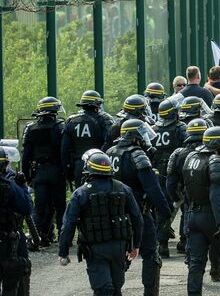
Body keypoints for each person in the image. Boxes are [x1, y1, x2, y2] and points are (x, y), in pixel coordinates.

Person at [58, 149, 143, 296]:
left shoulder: (81, 193)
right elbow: (138, 218)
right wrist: (136, 245)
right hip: (119, 248)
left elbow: (68, 224)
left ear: (88, 169)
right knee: (116, 289)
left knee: (103, 290)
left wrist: (63, 252)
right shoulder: (123, 188)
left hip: (95, 249)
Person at [106, 119, 172, 295]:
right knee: (151, 256)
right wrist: (166, 213)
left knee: (118, 257)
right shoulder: (138, 155)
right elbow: (153, 189)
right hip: (139, 215)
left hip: (113, 215)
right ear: (134, 136)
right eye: (142, 134)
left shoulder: (110, 152)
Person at [182, 126, 220, 295]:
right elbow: (216, 195)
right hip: (212, 218)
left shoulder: (191, 157)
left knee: (196, 263)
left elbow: (185, 188)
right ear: (218, 144)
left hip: (193, 215)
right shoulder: (215, 161)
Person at [22, 96, 66, 247]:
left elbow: (26, 156)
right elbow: (64, 152)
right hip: (57, 171)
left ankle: (34, 237)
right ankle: (63, 236)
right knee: (60, 206)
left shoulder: (31, 128)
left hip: (39, 172)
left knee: (39, 207)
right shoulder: (60, 127)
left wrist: (27, 176)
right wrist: (66, 172)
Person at [166, 118, 208, 255]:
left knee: (187, 212)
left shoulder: (179, 154)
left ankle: (184, 241)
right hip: (206, 197)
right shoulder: (211, 155)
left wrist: (176, 197)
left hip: (187, 193)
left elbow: (171, 182)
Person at [151, 99, 187, 258]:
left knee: (161, 207)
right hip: (175, 173)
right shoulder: (180, 128)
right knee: (184, 204)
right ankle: (184, 241)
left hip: (158, 172)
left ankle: (162, 244)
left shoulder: (153, 129)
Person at [61, 91, 114, 189]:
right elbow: (109, 143)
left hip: (79, 166)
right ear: (97, 106)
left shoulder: (71, 121)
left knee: (80, 197)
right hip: (100, 166)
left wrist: (67, 171)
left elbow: (64, 150)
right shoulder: (104, 119)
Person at [0, 145, 33, 295]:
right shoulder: (9, 186)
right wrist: (23, 187)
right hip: (6, 241)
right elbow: (27, 208)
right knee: (17, 273)